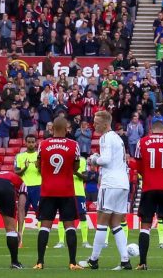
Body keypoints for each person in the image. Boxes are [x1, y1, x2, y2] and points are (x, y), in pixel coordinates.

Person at [80, 111, 132, 270]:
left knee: (101, 222)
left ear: (105, 123)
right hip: (123, 184)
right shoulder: (117, 138)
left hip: (110, 184)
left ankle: (93, 260)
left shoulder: (106, 137)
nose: (93, 125)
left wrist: (93, 159)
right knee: (116, 223)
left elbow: (106, 160)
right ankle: (125, 260)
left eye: (96, 122)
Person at [34, 118, 82, 270]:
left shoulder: (43, 144)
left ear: (52, 128)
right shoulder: (74, 145)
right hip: (66, 190)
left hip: (48, 190)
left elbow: (38, 165)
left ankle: (40, 262)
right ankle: (72, 262)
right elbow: (76, 166)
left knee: (45, 227)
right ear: (67, 128)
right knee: (70, 227)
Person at [133, 119, 163, 270]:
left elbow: (138, 166)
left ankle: (142, 263)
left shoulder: (142, 142)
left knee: (145, 226)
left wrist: (147, 176)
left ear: (151, 130)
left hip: (149, 188)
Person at [15, 133, 41, 241]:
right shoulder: (20, 156)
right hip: (24, 188)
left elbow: (44, 172)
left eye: (32, 142)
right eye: (29, 142)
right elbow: (17, 172)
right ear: (25, 143)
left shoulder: (40, 156)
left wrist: (38, 167)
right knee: (21, 213)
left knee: (40, 214)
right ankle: (19, 238)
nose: (31, 144)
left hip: (38, 187)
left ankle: (42, 239)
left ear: (36, 143)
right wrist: (25, 168)